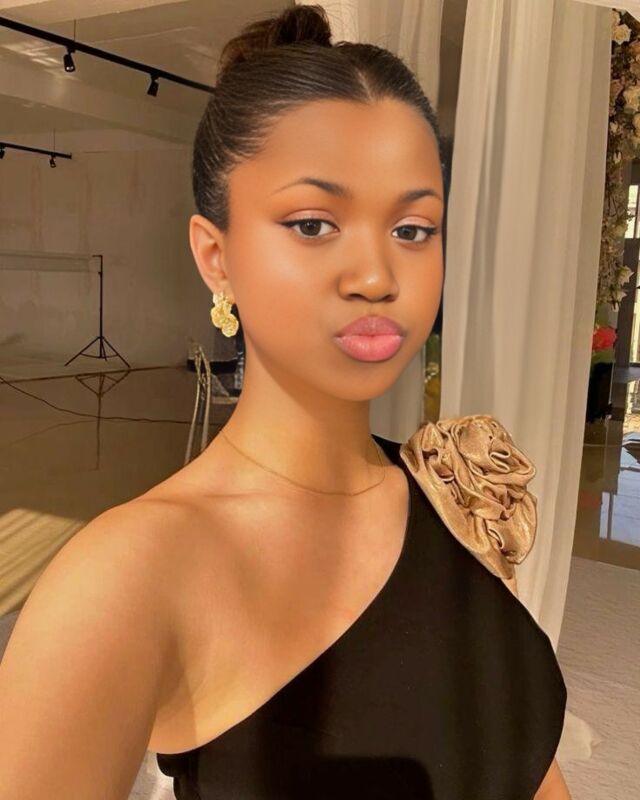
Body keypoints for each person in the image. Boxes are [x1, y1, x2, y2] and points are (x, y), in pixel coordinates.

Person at [0, 5, 571, 798]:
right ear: (216, 255)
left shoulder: (452, 491)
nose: (376, 276)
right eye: (312, 224)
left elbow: (525, 763)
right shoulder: (127, 580)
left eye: (413, 229)